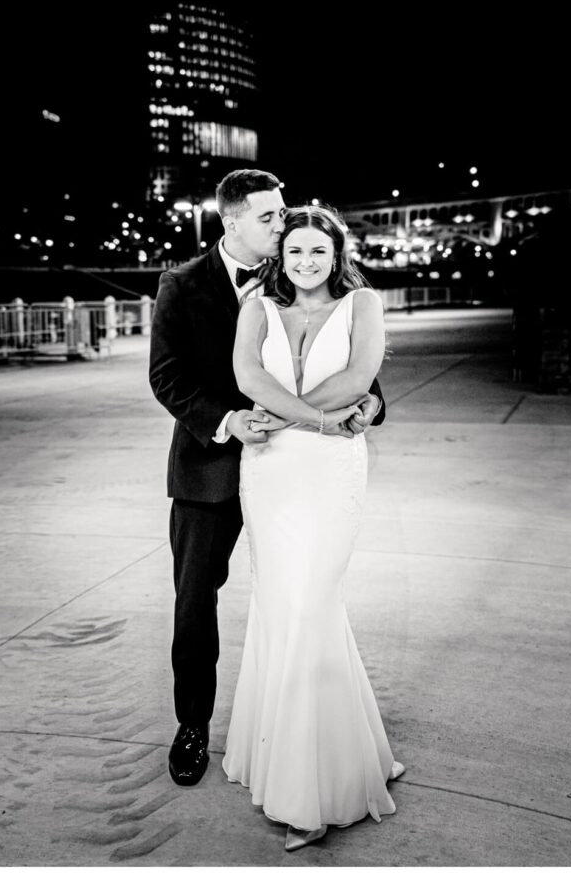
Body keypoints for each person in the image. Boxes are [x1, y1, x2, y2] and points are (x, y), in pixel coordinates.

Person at [149, 170, 386, 789]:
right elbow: (167, 378)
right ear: (230, 222)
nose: (283, 226)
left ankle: (302, 731)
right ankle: (193, 727)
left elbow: (342, 354)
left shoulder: (300, 277)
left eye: (284, 215)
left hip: (300, 468)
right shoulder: (181, 284)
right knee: (195, 601)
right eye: (269, 218)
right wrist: (225, 420)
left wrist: (371, 404)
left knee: (300, 597)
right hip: (210, 466)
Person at [223, 204, 404, 850]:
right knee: (284, 606)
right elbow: (247, 376)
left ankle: (311, 794)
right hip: (269, 470)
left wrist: (310, 421)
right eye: (294, 251)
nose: (305, 262)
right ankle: (344, 759)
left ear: (336, 256)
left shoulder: (363, 305)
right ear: (281, 255)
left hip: (329, 467)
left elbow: (358, 378)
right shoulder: (256, 306)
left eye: (317, 252)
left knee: (309, 603)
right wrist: (314, 417)